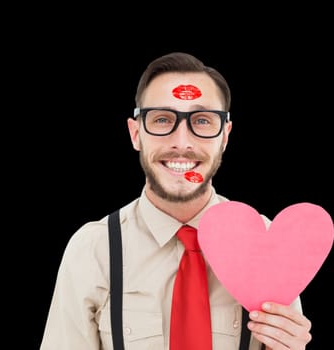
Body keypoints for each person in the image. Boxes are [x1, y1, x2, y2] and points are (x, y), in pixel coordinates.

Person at [40, 52, 312, 350]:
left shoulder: (267, 243)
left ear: (225, 136)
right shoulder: (93, 249)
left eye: (203, 121)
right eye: (162, 119)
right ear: (135, 134)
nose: (182, 143)